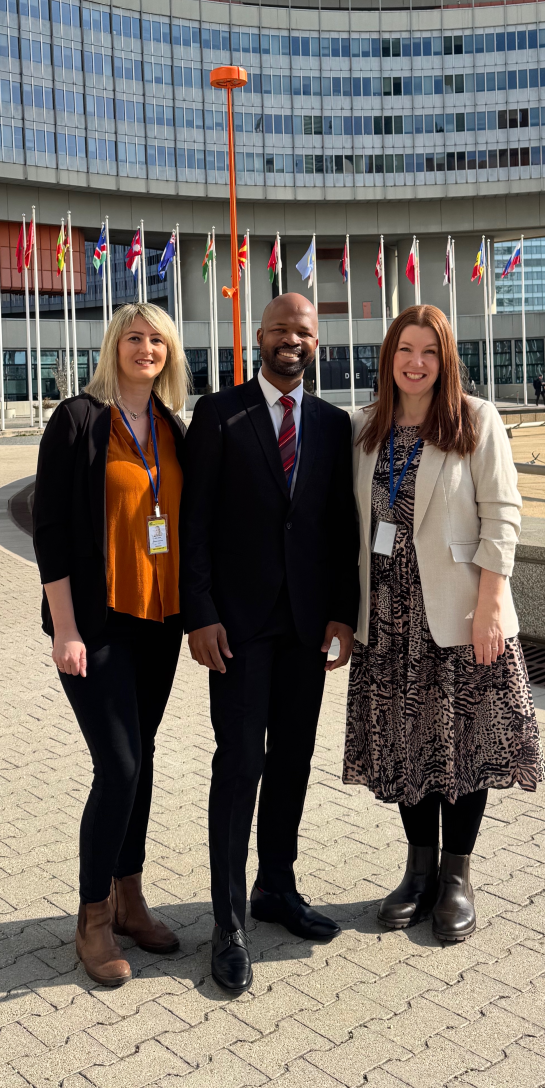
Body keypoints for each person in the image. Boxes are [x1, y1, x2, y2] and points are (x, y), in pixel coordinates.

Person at [344, 304, 545, 945]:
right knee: (407, 743)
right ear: (389, 357)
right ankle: (418, 872)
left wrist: (491, 605)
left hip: (459, 611)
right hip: (387, 615)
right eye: (405, 349)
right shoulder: (364, 427)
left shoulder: (474, 420)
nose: (416, 362)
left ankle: (456, 876)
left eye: (429, 351)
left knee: (462, 746)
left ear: (446, 360)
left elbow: (503, 513)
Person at [181, 293, 360, 995]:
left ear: (317, 341)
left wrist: (342, 614)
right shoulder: (219, 414)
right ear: (259, 337)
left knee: (292, 760)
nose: (292, 339)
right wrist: (199, 614)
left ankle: (276, 888)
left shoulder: (333, 423)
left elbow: (340, 526)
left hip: (307, 628)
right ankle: (227, 922)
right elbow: (194, 524)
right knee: (239, 765)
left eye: (303, 331)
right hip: (237, 627)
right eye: (281, 329)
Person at [32, 303, 189, 988]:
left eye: (157, 340)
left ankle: (131, 898)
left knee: (143, 759)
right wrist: (65, 627)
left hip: (160, 622)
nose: (145, 348)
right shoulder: (77, 419)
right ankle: (93, 916)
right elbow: (50, 531)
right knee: (119, 765)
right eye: (134, 338)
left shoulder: (173, 428)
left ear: (169, 353)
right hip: (97, 626)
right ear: (113, 347)